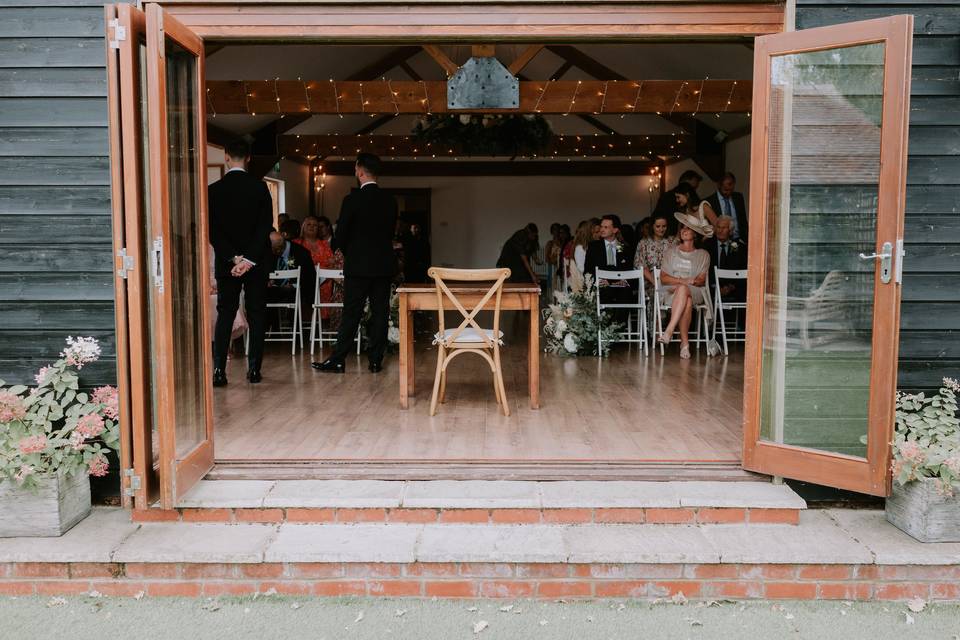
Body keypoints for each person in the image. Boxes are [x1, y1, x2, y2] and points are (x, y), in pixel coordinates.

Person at [313, 153, 398, 374]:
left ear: (360, 171)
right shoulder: (390, 200)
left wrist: (351, 251)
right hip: (382, 265)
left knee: (352, 312)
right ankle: (376, 360)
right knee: (381, 312)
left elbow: (340, 236)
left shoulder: (351, 200)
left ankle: (339, 359)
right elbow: (389, 233)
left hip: (358, 265)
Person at [208, 139, 273, 386]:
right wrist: (249, 259)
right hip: (256, 263)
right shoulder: (260, 188)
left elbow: (213, 231)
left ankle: (219, 371)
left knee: (225, 314)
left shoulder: (214, 190)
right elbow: (264, 226)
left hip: (228, 263)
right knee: (257, 314)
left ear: (226, 157)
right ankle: (254, 369)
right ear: (248, 158)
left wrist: (233, 257)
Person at [656, 206, 714, 360]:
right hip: (671, 292)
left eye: (688, 229)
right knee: (685, 300)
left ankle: (669, 331)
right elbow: (663, 278)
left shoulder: (703, 255)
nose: (684, 230)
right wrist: (684, 281)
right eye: (682, 228)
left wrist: (685, 284)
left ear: (695, 234)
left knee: (684, 291)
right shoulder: (671, 252)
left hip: (695, 291)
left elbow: (701, 280)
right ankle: (685, 344)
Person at [703, 215, 748, 302]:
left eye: (724, 228)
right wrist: (716, 287)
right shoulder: (707, 245)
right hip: (711, 287)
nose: (720, 230)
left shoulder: (739, 247)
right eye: (718, 227)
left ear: (730, 231)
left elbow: (742, 269)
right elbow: (705, 270)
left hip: (734, 289)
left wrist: (730, 287)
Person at [634, 213, 672, 299]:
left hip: (669, 280)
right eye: (658, 226)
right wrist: (656, 283)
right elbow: (641, 266)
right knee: (657, 292)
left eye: (664, 226)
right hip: (651, 282)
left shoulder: (671, 242)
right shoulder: (643, 243)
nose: (661, 229)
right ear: (652, 227)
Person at [654, 170, 702, 236]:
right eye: (692, 188)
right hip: (668, 237)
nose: (693, 191)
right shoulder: (667, 197)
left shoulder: (695, 205)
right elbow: (658, 218)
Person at [705, 172, 748, 242]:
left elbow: (743, 220)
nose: (727, 192)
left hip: (739, 240)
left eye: (730, 189)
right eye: (725, 190)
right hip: (719, 242)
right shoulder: (709, 202)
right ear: (719, 186)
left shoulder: (738, 197)